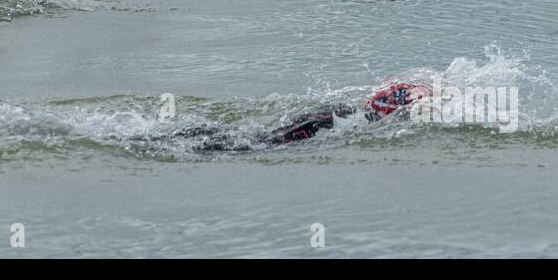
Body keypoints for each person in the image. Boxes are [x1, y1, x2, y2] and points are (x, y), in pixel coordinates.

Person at [174, 81, 433, 151]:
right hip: (264, 145)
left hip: (267, 134)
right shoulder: (360, 126)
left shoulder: (348, 110)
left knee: (233, 136)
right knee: (243, 144)